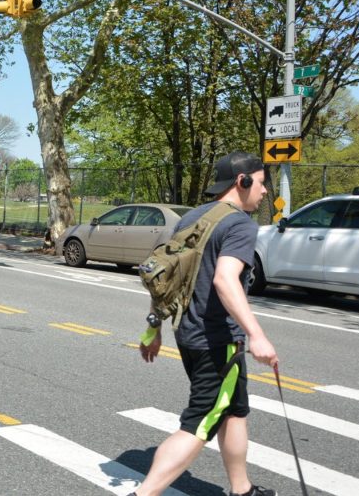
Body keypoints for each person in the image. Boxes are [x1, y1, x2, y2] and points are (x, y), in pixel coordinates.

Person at [131, 151, 278, 496]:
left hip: (189, 334)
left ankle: (242, 489)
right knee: (199, 422)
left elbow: (165, 277)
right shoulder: (240, 224)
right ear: (242, 181)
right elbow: (225, 280)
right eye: (261, 183)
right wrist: (257, 335)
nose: (265, 191)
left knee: (234, 411)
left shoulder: (193, 218)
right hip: (217, 341)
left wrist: (153, 329)